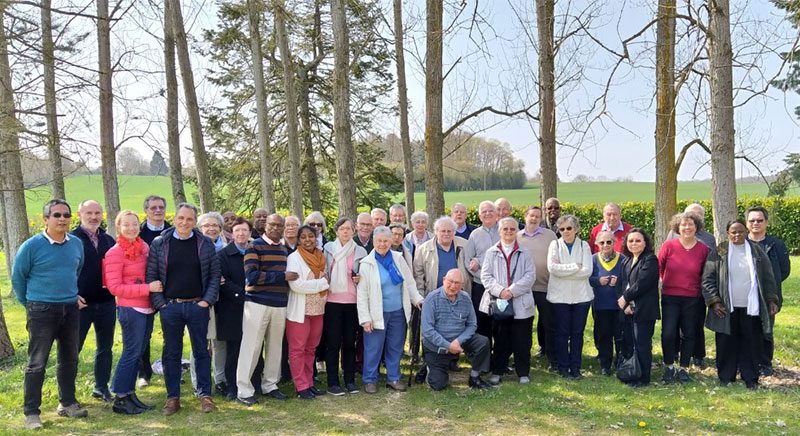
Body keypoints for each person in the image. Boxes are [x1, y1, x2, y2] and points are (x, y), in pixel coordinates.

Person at [12, 199, 88, 429]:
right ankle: (32, 413)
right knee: (37, 362)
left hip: (70, 309)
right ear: (46, 219)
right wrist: (31, 304)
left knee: (70, 359)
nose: (62, 219)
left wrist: (71, 295)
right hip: (41, 310)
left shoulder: (76, 244)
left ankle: (67, 403)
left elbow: (77, 270)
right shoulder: (31, 246)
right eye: (57, 215)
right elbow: (18, 278)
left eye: (66, 215)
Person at [147, 202, 220, 415]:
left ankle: (205, 395)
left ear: (195, 221)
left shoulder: (205, 243)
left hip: (198, 306)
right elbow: (152, 275)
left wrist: (206, 301)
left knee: (202, 352)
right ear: (175, 218)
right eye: (181, 218)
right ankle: (173, 398)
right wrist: (161, 304)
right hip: (171, 307)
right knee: (171, 353)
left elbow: (215, 275)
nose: (184, 222)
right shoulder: (160, 243)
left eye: (189, 219)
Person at [702, 220, 780, 389]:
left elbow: (768, 277)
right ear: (727, 233)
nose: (737, 235)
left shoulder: (756, 250)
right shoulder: (720, 251)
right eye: (733, 232)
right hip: (725, 307)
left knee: (751, 342)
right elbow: (707, 280)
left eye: (740, 232)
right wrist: (714, 302)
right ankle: (726, 377)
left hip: (751, 307)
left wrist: (771, 299)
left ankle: (751, 378)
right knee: (725, 343)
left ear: (746, 232)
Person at [357, 226, 424, 393]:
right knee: (373, 347)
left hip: (398, 312)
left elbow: (409, 283)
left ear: (391, 241)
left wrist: (417, 300)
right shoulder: (366, 263)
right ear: (374, 242)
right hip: (376, 313)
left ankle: (393, 378)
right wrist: (365, 318)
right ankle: (370, 379)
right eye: (379, 241)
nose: (382, 244)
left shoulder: (398, 258)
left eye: (386, 241)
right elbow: (362, 294)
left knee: (395, 346)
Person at [237, 214, 296, 405]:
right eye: (273, 224)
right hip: (257, 304)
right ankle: (244, 390)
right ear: (264, 226)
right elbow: (252, 277)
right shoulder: (253, 247)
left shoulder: (284, 249)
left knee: (275, 347)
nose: (276, 228)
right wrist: (281, 276)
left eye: (280, 225)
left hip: (279, 304)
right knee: (251, 346)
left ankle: (270, 384)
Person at [103, 210, 156, 414]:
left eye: (134, 224)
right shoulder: (114, 253)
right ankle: (121, 397)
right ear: (118, 227)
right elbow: (115, 287)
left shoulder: (144, 247)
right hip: (130, 307)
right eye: (126, 225)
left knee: (139, 353)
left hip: (147, 307)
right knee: (131, 352)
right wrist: (147, 288)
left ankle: (130, 393)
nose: (131, 228)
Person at [412, 217, 471, 380]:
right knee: (431, 329)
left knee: (455, 326)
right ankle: (429, 362)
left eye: (449, 231)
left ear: (454, 232)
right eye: (442, 231)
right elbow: (418, 275)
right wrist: (420, 297)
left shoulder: (464, 245)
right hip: (433, 296)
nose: (446, 234)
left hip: (457, 295)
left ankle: (452, 360)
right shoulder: (423, 249)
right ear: (436, 232)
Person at [479, 217, 535, 385]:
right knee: (500, 338)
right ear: (499, 231)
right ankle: (498, 371)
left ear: (517, 231)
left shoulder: (525, 252)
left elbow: (530, 276)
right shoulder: (491, 252)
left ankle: (523, 372)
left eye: (512, 229)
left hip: (521, 303)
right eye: (505, 229)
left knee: (522, 340)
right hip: (499, 302)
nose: (509, 232)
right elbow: (485, 276)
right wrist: (500, 291)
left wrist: (512, 291)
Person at [71, 200, 116, 402]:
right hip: (80, 304)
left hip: (107, 302)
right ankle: (67, 392)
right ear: (80, 213)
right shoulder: (71, 239)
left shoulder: (108, 240)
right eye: (89, 212)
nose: (93, 217)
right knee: (73, 348)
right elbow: (63, 271)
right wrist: (71, 294)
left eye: (97, 212)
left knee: (105, 347)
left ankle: (101, 386)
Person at [658, 212, 709, 384]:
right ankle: (669, 366)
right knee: (668, 333)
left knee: (689, 333)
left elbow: (706, 274)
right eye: (683, 225)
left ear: (697, 227)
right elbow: (659, 267)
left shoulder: (703, 249)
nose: (687, 228)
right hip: (670, 296)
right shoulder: (669, 245)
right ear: (677, 228)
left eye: (691, 225)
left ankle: (684, 368)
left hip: (692, 298)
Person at [216, 218, 264, 401]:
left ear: (250, 232)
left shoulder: (257, 252)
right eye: (237, 230)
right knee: (234, 349)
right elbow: (223, 282)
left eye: (244, 230)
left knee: (255, 347)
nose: (241, 234)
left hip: (256, 306)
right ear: (231, 233)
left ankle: (255, 383)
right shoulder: (223, 255)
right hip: (232, 308)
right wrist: (244, 295)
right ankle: (232, 387)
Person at [421, 269, 493, 390]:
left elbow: (472, 324)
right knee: (438, 384)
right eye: (450, 281)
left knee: (483, 342)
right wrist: (448, 345)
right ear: (444, 280)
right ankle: (429, 367)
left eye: (457, 283)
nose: (453, 286)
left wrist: (458, 341)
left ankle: (475, 377)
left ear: (462, 285)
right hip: (437, 346)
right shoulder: (431, 299)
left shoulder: (465, 298)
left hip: (459, 340)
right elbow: (427, 330)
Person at [666, 203, 716, 368]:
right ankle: (671, 359)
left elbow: (710, 267)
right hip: (672, 293)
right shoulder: (671, 239)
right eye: (686, 221)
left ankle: (693, 359)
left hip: (695, 293)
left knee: (693, 328)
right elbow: (661, 265)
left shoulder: (707, 242)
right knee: (670, 329)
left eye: (696, 218)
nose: (688, 225)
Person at [323, 218, 368, 395]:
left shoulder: (360, 251)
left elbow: (365, 274)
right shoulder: (328, 250)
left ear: (353, 231)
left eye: (349, 229)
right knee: (333, 343)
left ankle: (349, 380)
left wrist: (360, 278)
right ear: (336, 231)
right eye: (342, 229)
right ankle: (333, 382)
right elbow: (323, 271)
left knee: (350, 342)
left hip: (352, 302)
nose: (346, 232)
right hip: (332, 302)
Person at [746, 206, 791, 376]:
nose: (755, 223)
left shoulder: (776, 245)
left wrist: (769, 286)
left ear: (766, 222)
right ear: (747, 223)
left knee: (766, 329)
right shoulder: (742, 243)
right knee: (746, 329)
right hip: (745, 295)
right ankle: (746, 361)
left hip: (768, 297)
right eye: (752, 220)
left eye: (759, 220)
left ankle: (765, 363)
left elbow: (784, 271)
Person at [546, 214, 593, 379]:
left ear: (576, 229)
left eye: (569, 228)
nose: (565, 231)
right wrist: (575, 267)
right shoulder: (554, 245)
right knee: (562, 333)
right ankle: (563, 367)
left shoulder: (584, 246)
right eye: (562, 229)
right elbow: (552, 268)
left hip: (581, 297)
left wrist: (564, 271)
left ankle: (575, 368)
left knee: (577, 333)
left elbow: (587, 271)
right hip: (560, 298)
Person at [286, 225, 330, 399]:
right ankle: (301, 386)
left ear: (316, 237)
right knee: (298, 349)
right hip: (300, 311)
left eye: (311, 236)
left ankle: (309, 382)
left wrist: (322, 283)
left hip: (318, 310)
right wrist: (322, 284)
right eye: (303, 237)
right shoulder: (294, 258)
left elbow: (327, 278)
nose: (307, 240)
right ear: (298, 239)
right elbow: (297, 286)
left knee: (311, 349)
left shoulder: (321, 257)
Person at [617, 228, 660, 387]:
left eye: (638, 240)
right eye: (631, 241)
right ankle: (633, 373)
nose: (634, 243)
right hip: (629, 309)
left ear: (645, 242)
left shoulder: (650, 260)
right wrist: (626, 305)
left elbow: (642, 283)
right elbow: (623, 284)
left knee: (642, 343)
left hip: (644, 309)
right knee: (631, 342)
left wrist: (625, 298)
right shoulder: (626, 261)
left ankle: (643, 378)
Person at [517, 206, 558, 371]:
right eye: (531, 216)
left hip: (546, 286)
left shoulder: (550, 235)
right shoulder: (517, 236)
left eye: (537, 216)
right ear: (525, 216)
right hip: (524, 289)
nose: (534, 219)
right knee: (523, 324)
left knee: (549, 323)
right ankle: (522, 356)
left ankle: (551, 357)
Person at [137, 195, 170, 388]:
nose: (158, 211)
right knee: (144, 334)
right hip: (144, 288)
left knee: (171, 332)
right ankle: (144, 373)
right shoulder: (138, 233)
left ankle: (168, 368)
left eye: (161, 207)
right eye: (153, 208)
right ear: (146, 211)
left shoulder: (172, 231)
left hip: (168, 289)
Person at [196, 212, 228, 394]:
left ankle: (220, 379)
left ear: (221, 229)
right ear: (200, 229)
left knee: (219, 342)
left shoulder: (225, 249)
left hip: (223, 302)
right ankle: (198, 383)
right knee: (198, 342)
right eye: (206, 226)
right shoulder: (194, 248)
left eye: (215, 225)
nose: (211, 229)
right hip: (199, 301)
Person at [588, 231, 625, 375]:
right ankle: (605, 364)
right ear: (597, 244)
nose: (605, 245)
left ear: (614, 242)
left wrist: (619, 281)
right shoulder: (593, 259)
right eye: (602, 242)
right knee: (603, 335)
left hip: (618, 305)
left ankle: (620, 362)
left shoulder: (622, 259)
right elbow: (585, 278)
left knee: (620, 335)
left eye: (609, 242)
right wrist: (597, 281)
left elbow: (629, 279)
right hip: (600, 304)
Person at [465, 201, 500, 340]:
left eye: (490, 210)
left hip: (501, 285)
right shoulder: (475, 234)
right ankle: (485, 356)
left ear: (496, 213)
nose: (487, 214)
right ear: (479, 216)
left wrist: (479, 261)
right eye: (484, 212)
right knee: (482, 320)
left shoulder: (504, 231)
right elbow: (468, 261)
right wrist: (484, 276)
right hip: (481, 285)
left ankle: (500, 357)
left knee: (500, 320)